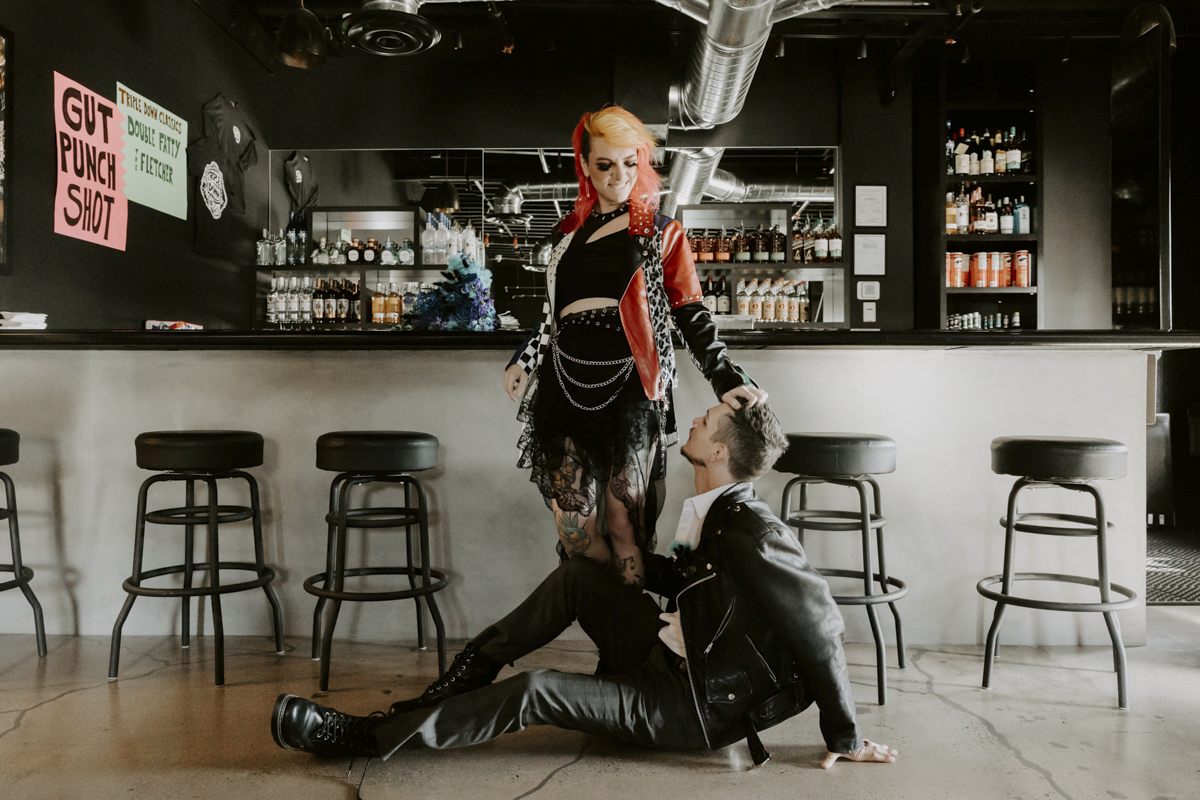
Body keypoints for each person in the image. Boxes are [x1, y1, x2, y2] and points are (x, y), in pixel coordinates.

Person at [271, 401, 898, 771]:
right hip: (664, 658)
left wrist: (843, 734)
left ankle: (361, 738)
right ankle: (462, 677)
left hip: (689, 707)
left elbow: (820, 624)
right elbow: (673, 576)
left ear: (718, 452)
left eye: (707, 420)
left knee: (538, 690)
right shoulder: (705, 512)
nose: (696, 418)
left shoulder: (753, 529)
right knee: (578, 575)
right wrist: (605, 553)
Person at [503, 106, 765, 588]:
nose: (619, 176)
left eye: (630, 163)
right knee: (574, 530)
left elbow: (690, 312)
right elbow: (551, 312)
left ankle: (631, 629)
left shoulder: (660, 231)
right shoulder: (566, 233)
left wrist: (725, 375)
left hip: (630, 391)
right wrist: (524, 358)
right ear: (585, 166)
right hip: (564, 386)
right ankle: (618, 614)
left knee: (626, 527)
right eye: (605, 164)